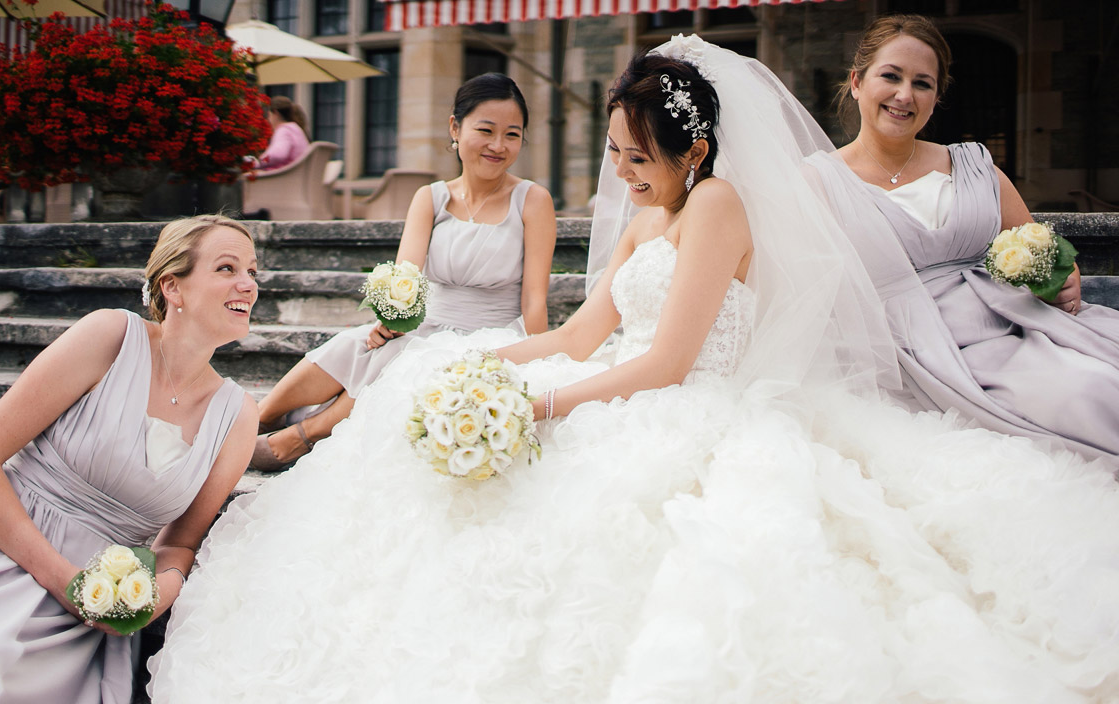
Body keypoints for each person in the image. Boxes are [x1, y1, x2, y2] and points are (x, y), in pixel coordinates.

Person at [148, 38, 1119, 702]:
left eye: (635, 157)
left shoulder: (719, 209)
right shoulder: (653, 211)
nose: (621, 175)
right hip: (606, 378)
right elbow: (580, 330)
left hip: (684, 408)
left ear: (693, 147)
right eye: (613, 155)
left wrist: (546, 404)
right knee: (431, 389)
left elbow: (664, 360)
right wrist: (479, 365)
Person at [0, 214, 261, 704]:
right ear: (173, 287)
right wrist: (65, 582)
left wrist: (149, 597)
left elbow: (180, 545)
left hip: (90, 602)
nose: (247, 284)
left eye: (253, 271)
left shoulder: (238, 416)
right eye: (228, 268)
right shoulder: (110, 337)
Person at [809, 14, 1119, 461]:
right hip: (919, 356)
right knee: (1087, 395)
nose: (904, 95)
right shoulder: (817, 181)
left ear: (937, 96)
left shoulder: (972, 163)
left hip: (1019, 326)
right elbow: (805, 294)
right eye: (890, 76)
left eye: (922, 83)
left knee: (1105, 381)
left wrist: (1063, 272)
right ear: (857, 82)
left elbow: (1035, 244)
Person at [249, 73, 556, 471]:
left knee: (404, 360)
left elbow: (535, 298)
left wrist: (542, 360)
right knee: (362, 344)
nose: (499, 145)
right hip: (429, 325)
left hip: (493, 337)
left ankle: (299, 437)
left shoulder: (532, 200)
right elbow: (405, 284)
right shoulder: (430, 198)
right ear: (455, 128)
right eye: (486, 130)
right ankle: (252, 422)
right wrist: (389, 322)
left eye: (512, 135)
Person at [252, 95, 310, 171]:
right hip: (296, 176)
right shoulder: (296, 129)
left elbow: (277, 155)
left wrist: (259, 162)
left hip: (283, 179)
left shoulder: (284, 130)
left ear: (275, 113)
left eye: (269, 115)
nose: (268, 120)